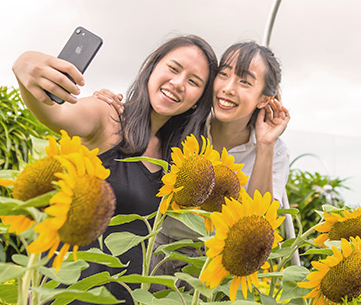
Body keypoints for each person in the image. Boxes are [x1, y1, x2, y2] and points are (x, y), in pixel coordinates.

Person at [13, 35, 218, 304]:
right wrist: (24, 63)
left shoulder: (178, 161)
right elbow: (55, 114)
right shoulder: (108, 117)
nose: (178, 83)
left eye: (193, 82)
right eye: (173, 68)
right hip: (66, 293)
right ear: (151, 68)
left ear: (197, 100)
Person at [95, 41, 293, 276]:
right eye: (224, 74)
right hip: (153, 250)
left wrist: (265, 146)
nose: (228, 88)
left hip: (212, 265)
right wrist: (109, 104)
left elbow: (260, 222)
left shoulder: (275, 150)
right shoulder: (187, 123)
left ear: (264, 99)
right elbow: (141, 119)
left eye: (244, 82)